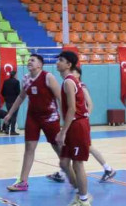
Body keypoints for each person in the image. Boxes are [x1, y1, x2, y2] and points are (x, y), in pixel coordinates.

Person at [5, 54, 74, 192]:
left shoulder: (48, 77)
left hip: (50, 117)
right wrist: (10, 113)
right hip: (33, 117)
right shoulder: (26, 78)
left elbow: (60, 98)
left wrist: (64, 120)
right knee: (29, 147)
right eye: (29, 60)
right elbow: (21, 97)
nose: (29, 61)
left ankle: (73, 176)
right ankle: (23, 181)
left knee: (58, 148)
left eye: (33, 60)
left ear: (40, 65)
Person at [55, 51, 93, 206]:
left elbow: (72, 108)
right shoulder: (69, 81)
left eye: (61, 60)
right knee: (64, 163)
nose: (57, 63)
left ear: (68, 65)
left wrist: (63, 131)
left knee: (77, 164)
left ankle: (84, 201)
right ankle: (81, 193)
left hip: (77, 125)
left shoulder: (69, 82)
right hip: (75, 125)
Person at [72, 66, 115, 182]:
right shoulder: (70, 85)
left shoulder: (81, 86)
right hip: (74, 123)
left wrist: (85, 117)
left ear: (78, 74)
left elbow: (90, 104)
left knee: (83, 147)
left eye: (73, 72)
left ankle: (108, 168)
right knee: (77, 147)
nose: (71, 74)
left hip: (80, 122)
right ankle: (108, 168)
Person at [1, 70, 21, 135]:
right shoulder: (16, 82)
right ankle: (12, 131)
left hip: (7, 101)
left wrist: (7, 97)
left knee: (9, 115)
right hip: (14, 101)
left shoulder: (5, 81)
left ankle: (6, 129)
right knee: (14, 116)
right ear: (15, 75)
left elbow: (2, 92)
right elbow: (18, 92)